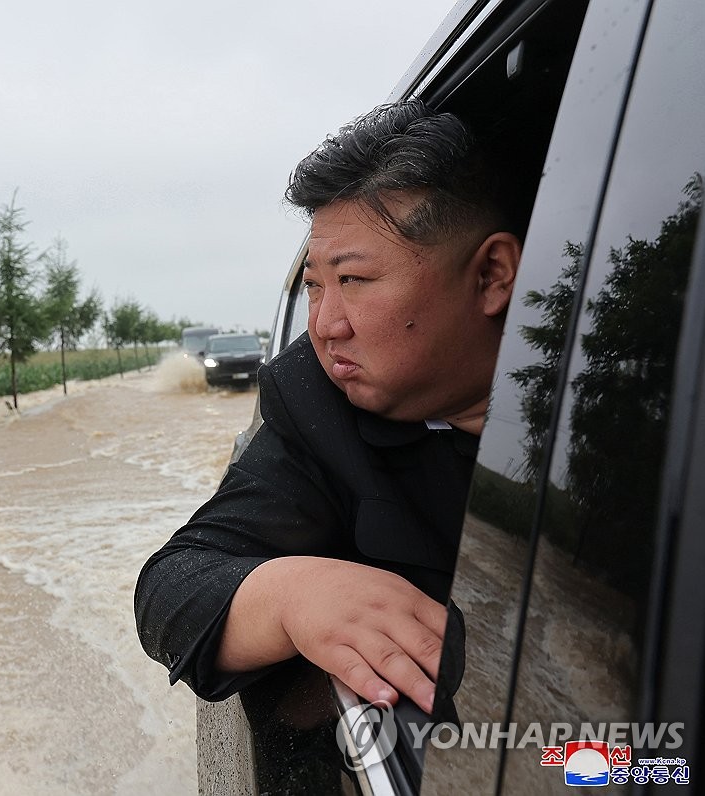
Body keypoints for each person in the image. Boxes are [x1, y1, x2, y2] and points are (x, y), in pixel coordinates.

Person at [134, 99, 524, 715]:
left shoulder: (632, 403)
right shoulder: (316, 404)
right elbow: (171, 590)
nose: (323, 326)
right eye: (314, 286)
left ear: (493, 276)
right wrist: (290, 595)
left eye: (354, 281)